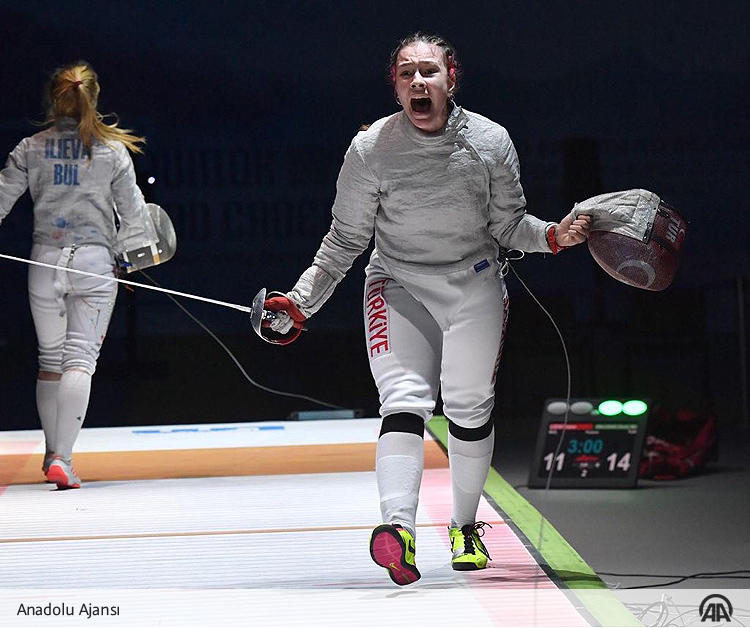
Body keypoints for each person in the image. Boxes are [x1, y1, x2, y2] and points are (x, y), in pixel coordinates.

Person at [263, 33, 591, 584]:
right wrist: (300, 303)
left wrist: (554, 236)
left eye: (429, 72)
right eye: (407, 73)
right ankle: (399, 532)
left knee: (467, 406)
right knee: (403, 399)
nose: (419, 82)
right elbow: (345, 240)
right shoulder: (370, 150)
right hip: (397, 283)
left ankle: (465, 527)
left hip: (475, 283)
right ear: (394, 86)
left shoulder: (490, 141)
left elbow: (510, 226)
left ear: (450, 79)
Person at [0, 61, 157, 489]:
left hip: (43, 261)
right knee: (78, 361)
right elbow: (136, 220)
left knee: (50, 361)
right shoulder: (112, 152)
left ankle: (54, 453)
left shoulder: (30, 148)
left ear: (54, 99)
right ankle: (63, 459)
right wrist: (131, 259)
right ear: (93, 97)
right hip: (93, 264)